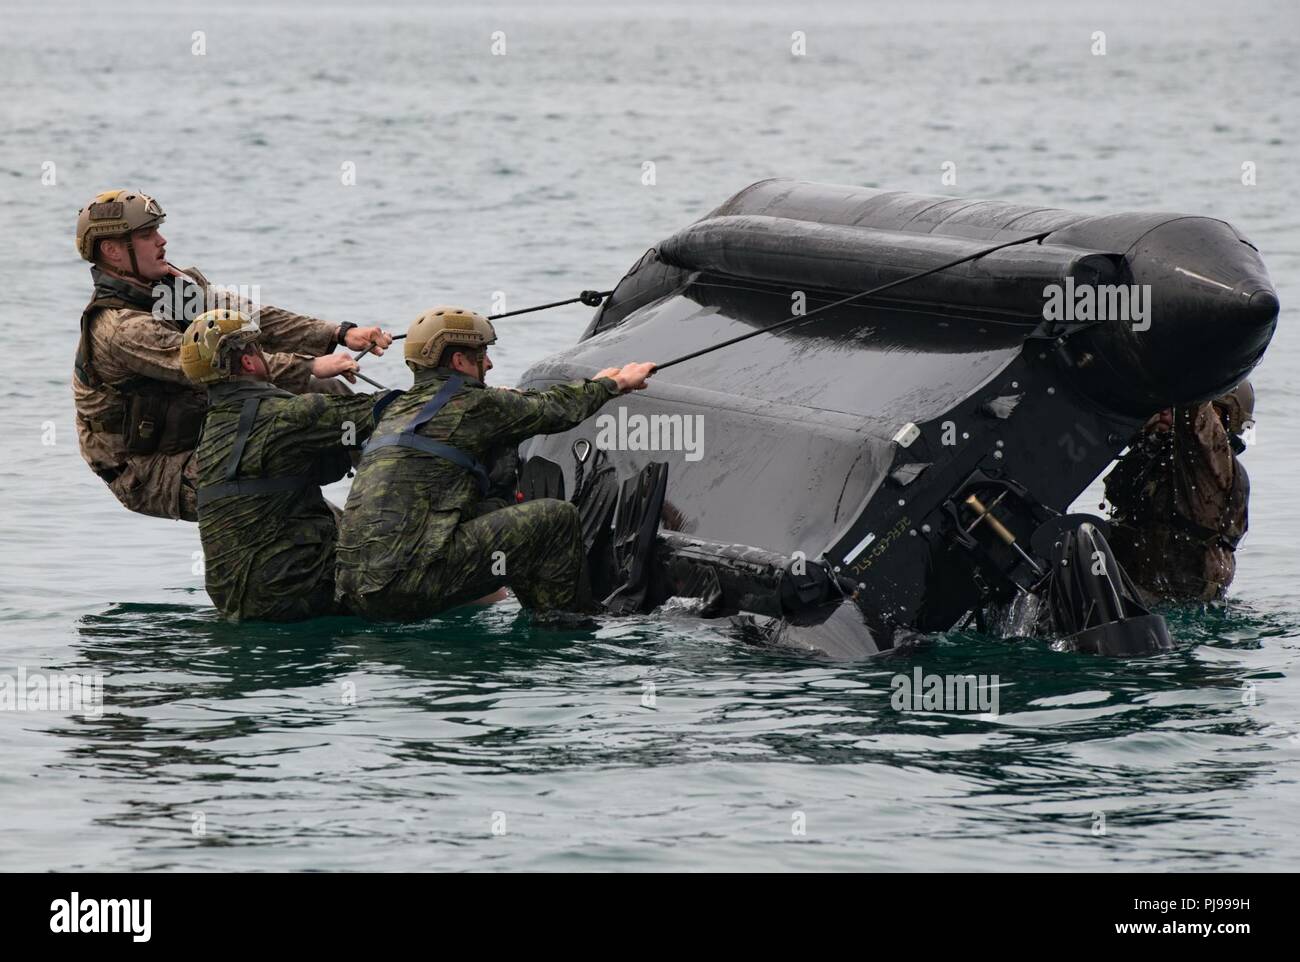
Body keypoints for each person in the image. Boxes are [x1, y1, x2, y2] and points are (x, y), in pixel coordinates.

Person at [73, 188, 392, 521]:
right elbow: (220, 363)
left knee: (326, 394)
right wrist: (310, 365)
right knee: (274, 462)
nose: (162, 240)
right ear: (112, 251)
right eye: (146, 234)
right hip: (151, 470)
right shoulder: (120, 329)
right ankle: (342, 536)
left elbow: (252, 321)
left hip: (202, 430)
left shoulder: (172, 288)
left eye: (158, 229)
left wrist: (338, 333)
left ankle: (386, 499)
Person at [335, 305, 655, 621]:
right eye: (481, 354)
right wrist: (614, 384)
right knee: (555, 518)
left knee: (497, 510)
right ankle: (564, 622)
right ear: (459, 361)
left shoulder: (393, 408)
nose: (488, 363)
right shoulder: (474, 403)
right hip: (407, 586)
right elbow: (553, 410)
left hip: (356, 592)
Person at [183, 309, 378, 622]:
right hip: (300, 599)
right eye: (259, 351)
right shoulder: (287, 414)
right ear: (248, 362)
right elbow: (388, 411)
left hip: (234, 604)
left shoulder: (210, 432)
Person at [1103, 381, 1253, 601]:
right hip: (1134, 593)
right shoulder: (1155, 456)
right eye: (1163, 405)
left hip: (1176, 603)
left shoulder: (1216, 468)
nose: (1167, 412)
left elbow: (1195, 415)